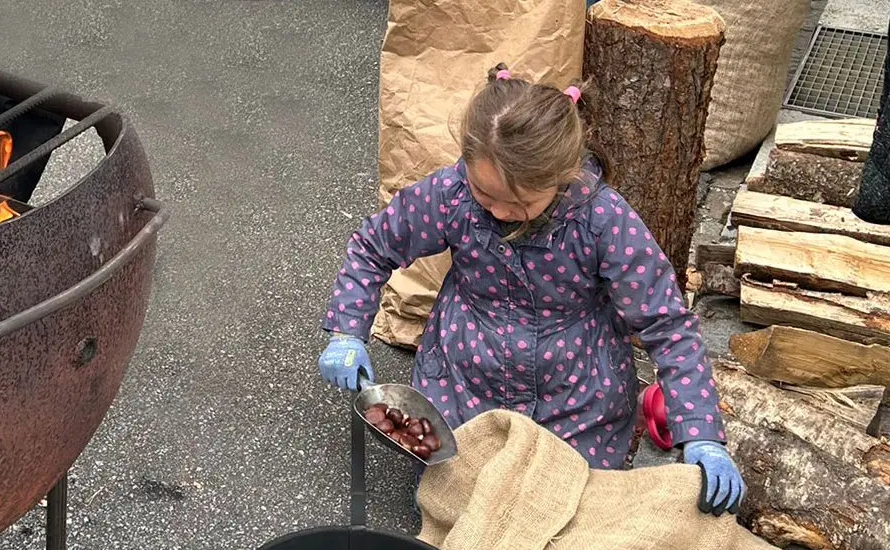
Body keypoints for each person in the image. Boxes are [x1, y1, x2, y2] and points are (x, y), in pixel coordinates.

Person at [316, 65, 745, 515]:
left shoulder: (603, 220)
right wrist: (346, 330)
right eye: (485, 194)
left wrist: (700, 431)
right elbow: (373, 247)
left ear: (561, 175)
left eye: (519, 203)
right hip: (464, 377)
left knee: (564, 510)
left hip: (577, 396)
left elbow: (667, 325)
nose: (499, 211)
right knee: (462, 497)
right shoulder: (450, 194)